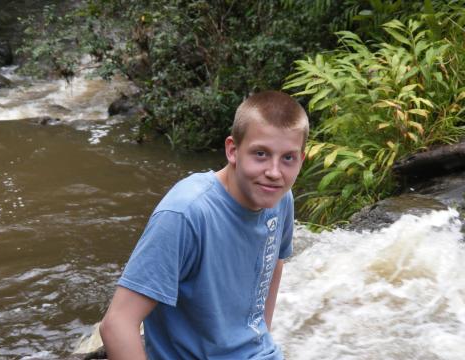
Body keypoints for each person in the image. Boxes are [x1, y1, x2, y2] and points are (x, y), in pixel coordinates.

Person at [99, 90, 309, 359]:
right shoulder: (186, 213)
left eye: (288, 158)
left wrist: (261, 340)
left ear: (301, 160)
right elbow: (117, 324)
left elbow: (275, 261)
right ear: (233, 150)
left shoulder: (281, 199)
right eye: (260, 154)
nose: (274, 172)